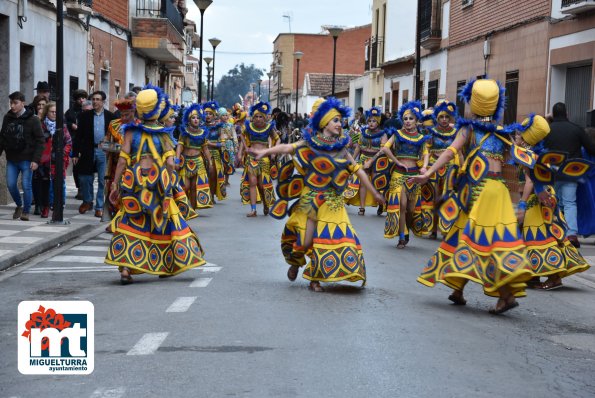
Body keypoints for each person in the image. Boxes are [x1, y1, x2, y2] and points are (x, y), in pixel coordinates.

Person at [410, 78, 535, 314]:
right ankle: (458, 289)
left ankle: (505, 295)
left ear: (473, 103)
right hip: (498, 190)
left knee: (481, 241)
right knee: (473, 235)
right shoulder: (503, 134)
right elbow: (523, 159)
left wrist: (428, 173)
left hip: (479, 190)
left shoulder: (468, 129)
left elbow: (449, 153)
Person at [250, 98, 385, 292]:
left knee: (331, 236)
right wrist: (265, 152)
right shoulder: (310, 143)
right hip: (311, 198)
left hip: (333, 200)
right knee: (305, 240)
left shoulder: (341, 148)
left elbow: (358, 171)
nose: (340, 124)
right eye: (336, 120)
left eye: (340, 121)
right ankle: (296, 263)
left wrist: (375, 193)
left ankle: (315, 278)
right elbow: (288, 148)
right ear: (324, 123)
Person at [105, 85, 206, 284]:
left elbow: (123, 160)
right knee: (166, 222)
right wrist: (169, 183)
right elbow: (170, 163)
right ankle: (167, 264)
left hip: (134, 181)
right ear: (156, 109)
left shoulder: (130, 132)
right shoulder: (164, 134)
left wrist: (115, 184)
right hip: (158, 181)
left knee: (130, 220)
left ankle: (125, 268)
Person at [513, 114, 590, 290]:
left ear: (526, 138)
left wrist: (522, 204)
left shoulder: (527, 155)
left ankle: (554, 276)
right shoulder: (540, 151)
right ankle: (533, 275)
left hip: (538, 198)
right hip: (547, 195)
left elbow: (531, 181)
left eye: (518, 134)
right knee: (545, 233)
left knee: (542, 236)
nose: (515, 137)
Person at [371, 101, 431, 249]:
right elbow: (385, 148)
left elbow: (425, 153)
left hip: (414, 176)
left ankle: (407, 230)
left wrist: (424, 167)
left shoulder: (421, 137)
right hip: (399, 174)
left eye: (411, 119)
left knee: (411, 209)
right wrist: (397, 161)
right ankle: (402, 236)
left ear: (416, 121)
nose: (408, 121)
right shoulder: (397, 135)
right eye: (405, 119)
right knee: (402, 205)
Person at [544, 102, 595, 248]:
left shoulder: (547, 130)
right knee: (569, 202)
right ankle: (571, 234)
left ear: (553, 115)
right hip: (571, 172)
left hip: (551, 172)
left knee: (554, 202)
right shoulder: (576, 129)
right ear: (567, 114)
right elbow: (591, 149)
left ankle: (554, 232)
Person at [0, 91, 45, 221]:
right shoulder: (7, 117)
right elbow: (2, 137)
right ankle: (19, 205)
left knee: (26, 185)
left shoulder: (33, 119)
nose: (12, 106)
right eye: (11, 103)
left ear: (23, 103)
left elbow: (40, 140)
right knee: (10, 184)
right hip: (12, 158)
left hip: (27, 159)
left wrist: (36, 160)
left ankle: (26, 211)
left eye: (15, 103)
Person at [72, 90, 115, 217]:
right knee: (85, 178)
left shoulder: (110, 117)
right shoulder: (84, 116)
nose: (95, 101)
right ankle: (87, 201)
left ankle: (99, 206)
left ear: (103, 102)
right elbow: (78, 136)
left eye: (98, 99)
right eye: (93, 99)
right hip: (88, 150)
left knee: (103, 179)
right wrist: (75, 153)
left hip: (104, 151)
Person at [344, 106, 390, 216]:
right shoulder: (363, 133)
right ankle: (362, 207)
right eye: (369, 120)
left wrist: (372, 160)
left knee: (377, 183)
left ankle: (381, 205)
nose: (371, 123)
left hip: (377, 162)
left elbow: (383, 150)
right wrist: (353, 161)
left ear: (378, 122)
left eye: (374, 121)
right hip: (363, 159)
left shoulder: (383, 134)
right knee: (363, 184)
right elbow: (358, 148)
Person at [237, 101, 279, 217]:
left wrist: (274, 151)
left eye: (261, 116)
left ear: (265, 118)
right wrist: (241, 152)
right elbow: (242, 137)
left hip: (264, 158)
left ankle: (265, 204)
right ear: (253, 118)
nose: (258, 119)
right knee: (252, 182)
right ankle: (253, 209)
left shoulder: (269, 128)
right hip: (251, 158)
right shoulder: (249, 127)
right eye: (256, 116)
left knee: (261, 185)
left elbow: (277, 138)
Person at [426, 100, 459, 238]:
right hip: (434, 167)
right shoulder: (431, 132)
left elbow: (460, 151)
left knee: (448, 197)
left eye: (447, 117)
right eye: (441, 117)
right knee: (434, 198)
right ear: (437, 118)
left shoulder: (456, 132)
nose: (444, 120)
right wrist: (424, 167)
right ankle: (433, 229)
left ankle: (445, 230)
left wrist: (462, 167)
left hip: (450, 168)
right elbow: (426, 150)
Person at [103, 98, 136, 230]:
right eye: (121, 115)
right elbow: (107, 141)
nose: (124, 118)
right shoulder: (114, 124)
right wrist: (106, 146)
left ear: (133, 112)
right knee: (115, 192)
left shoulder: (139, 126)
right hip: (116, 164)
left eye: (127, 115)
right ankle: (117, 221)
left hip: (133, 166)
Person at [176, 103, 214, 210]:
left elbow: (205, 148)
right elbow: (179, 146)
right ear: (189, 120)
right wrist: (176, 160)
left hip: (198, 162)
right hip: (185, 162)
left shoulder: (203, 133)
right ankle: (183, 207)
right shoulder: (184, 132)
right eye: (193, 118)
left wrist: (210, 163)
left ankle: (192, 209)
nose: (196, 120)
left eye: (198, 117)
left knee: (194, 187)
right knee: (185, 186)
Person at [65, 89, 88, 200]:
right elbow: (65, 122)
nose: (81, 100)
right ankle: (79, 188)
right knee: (76, 165)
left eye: (83, 97)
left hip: (87, 141)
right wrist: (71, 125)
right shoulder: (71, 111)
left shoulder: (88, 109)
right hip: (75, 140)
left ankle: (86, 188)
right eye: (79, 98)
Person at [203, 101, 227, 202]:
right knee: (203, 176)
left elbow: (222, 143)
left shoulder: (219, 127)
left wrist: (210, 144)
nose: (207, 116)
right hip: (202, 154)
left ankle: (212, 195)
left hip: (215, 154)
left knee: (213, 175)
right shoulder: (200, 127)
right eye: (205, 113)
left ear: (214, 115)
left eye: (210, 114)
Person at [218, 107, 236, 186]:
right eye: (223, 115)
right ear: (219, 116)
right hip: (220, 146)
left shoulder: (231, 125)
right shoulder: (217, 126)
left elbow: (234, 136)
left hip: (229, 145)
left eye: (226, 115)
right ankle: (220, 180)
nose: (225, 117)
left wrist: (235, 146)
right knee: (221, 163)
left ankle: (226, 180)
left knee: (228, 163)